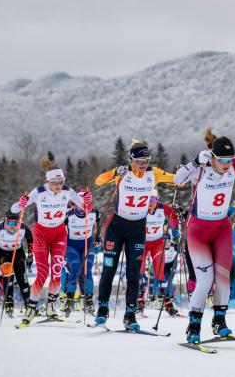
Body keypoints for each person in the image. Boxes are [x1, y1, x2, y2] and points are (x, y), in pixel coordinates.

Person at [174, 128, 235, 344]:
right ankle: (194, 325)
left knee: (223, 278)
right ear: (213, 156)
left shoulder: (234, 165)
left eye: (230, 159)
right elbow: (178, 180)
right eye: (222, 160)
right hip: (198, 230)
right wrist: (195, 162)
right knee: (205, 280)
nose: (227, 164)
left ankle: (219, 321)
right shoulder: (202, 167)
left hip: (222, 229)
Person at [92, 140, 174, 330]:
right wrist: (114, 173)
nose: (143, 164)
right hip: (116, 226)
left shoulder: (154, 173)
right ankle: (102, 309)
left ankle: (130, 314)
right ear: (131, 160)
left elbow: (177, 179)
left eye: (146, 160)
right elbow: (99, 181)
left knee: (134, 273)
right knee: (109, 269)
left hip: (137, 229)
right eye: (139, 161)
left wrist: (193, 167)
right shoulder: (124, 173)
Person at [12, 155, 91, 327]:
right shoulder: (39, 192)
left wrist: (87, 199)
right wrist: (21, 202)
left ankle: (51, 307)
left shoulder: (67, 191)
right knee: (42, 273)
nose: (58, 185)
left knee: (56, 271)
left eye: (61, 182)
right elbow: (14, 209)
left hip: (59, 234)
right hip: (41, 234)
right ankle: (31, 308)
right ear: (48, 181)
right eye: (55, 183)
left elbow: (86, 208)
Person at [0, 211, 33, 317]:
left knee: (22, 278)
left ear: (18, 222)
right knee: (8, 272)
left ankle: (29, 305)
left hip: (17, 252)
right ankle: (9, 302)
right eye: (9, 223)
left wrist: (30, 255)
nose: (12, 226)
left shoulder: (23, 227)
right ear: (5, 222)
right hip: (2, 253)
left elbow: (30, 239)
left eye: (14, 223)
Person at [137, 190, 178, 311]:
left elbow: (175, 220)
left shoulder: (163, 208)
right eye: (148, 200)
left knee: (159, 273)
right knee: (140, 271)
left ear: (157, 199)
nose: (150, 203)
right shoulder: (141, 209)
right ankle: (139, 301)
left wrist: (177, 220)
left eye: (153, 200)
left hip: (157, 243)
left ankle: (168, 303)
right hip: (143, 243)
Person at [62, 206, 101, 316]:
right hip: (71, 246)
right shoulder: (68, 214)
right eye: (80, 204)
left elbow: (100, 222)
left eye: (86, 204)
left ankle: (89, 301)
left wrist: (98, 239)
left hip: (88, 245)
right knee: (75, 270)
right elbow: (60, 229)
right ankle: (69, 300)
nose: (83, 208)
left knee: (87, 270)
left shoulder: (94, 213)